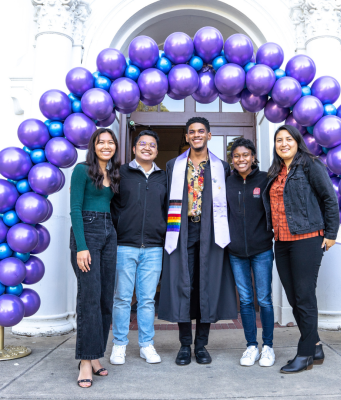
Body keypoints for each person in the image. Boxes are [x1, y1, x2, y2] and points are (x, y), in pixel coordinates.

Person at [158, 117, 237, 366]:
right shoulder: (173, 165)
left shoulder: (221, 167)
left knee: (207, 285)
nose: (196, 135)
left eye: (201, 131)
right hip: (181, 229)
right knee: (184, 284)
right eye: (191, 132)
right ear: (187, 137)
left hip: (211, 230)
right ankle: (184, 345)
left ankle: (201, 345)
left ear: (209, 135)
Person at [264, 125, 339, 374]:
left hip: (307, 239)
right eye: (279, 140)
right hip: (281, 241)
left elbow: (329, 198)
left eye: (288, 139)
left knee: (304, 297)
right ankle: (315, 345)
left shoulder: (310, 165)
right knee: (294, 297)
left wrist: (331, 234)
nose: (283, 143)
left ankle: (305, 354)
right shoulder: (275, 171)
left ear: (297, 142)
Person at [110, 130, 167, 365]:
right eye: (142, 143)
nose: (147, 148)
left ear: (156, 150)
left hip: (153, 247)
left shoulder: (163, 177)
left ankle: (146, 345)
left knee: (147, 300)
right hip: (124, 246)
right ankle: (119, 345)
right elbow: (111, 206)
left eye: (152, 145)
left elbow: (168, 209)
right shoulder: (120, 173)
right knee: (122, 298)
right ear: (134, 149)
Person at [70, 128, 120, 388]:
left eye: (110, 142)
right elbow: (75, 209)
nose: (106, 146)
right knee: (89, 299)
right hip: (87, 233)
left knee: (104, 299)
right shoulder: (82, 170)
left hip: (109, 232)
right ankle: (85, 362)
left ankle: (96, 354)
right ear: (93, 146)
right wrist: (81, 246)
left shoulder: (113, 173)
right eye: (101, 142)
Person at [226, 138, 275, 367]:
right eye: (236, 156)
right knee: (245, 300)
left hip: (262, 249)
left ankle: (268, 347)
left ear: (253, 157)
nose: (241, 159)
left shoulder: (265, 179)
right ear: (232, 159)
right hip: (236, 251)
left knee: (264, 299)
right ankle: (251, 346)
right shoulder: (227, 182)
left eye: (245, 155)